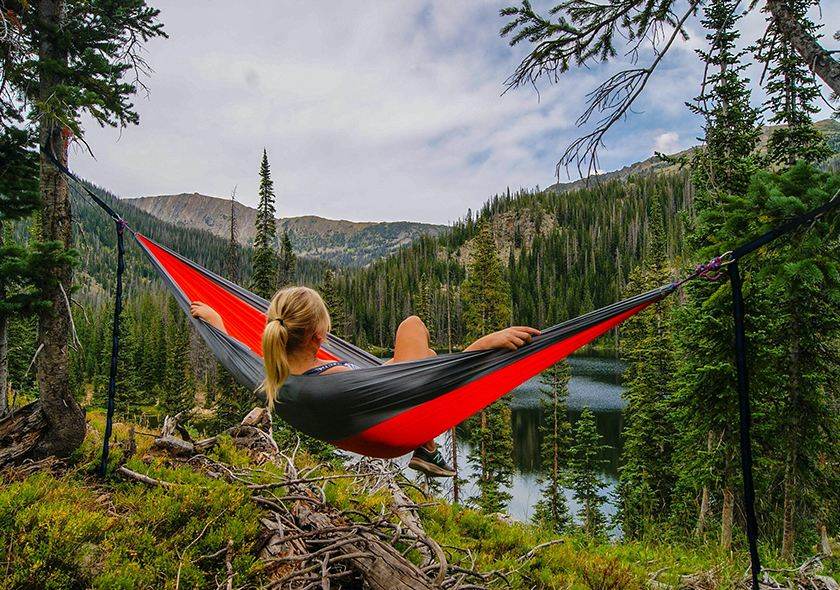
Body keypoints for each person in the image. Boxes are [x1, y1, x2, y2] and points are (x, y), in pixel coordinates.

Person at [190, 286, 540, 478]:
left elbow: (238, 353)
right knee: (412, 325)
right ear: (318, 335)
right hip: (389, 430)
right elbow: (426, 387)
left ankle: (429, 449)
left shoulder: (272, 376)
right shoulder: (334, 380)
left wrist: (218, 323)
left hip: (370, 407)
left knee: (423, 352)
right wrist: (481, 347)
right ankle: (427, 447)